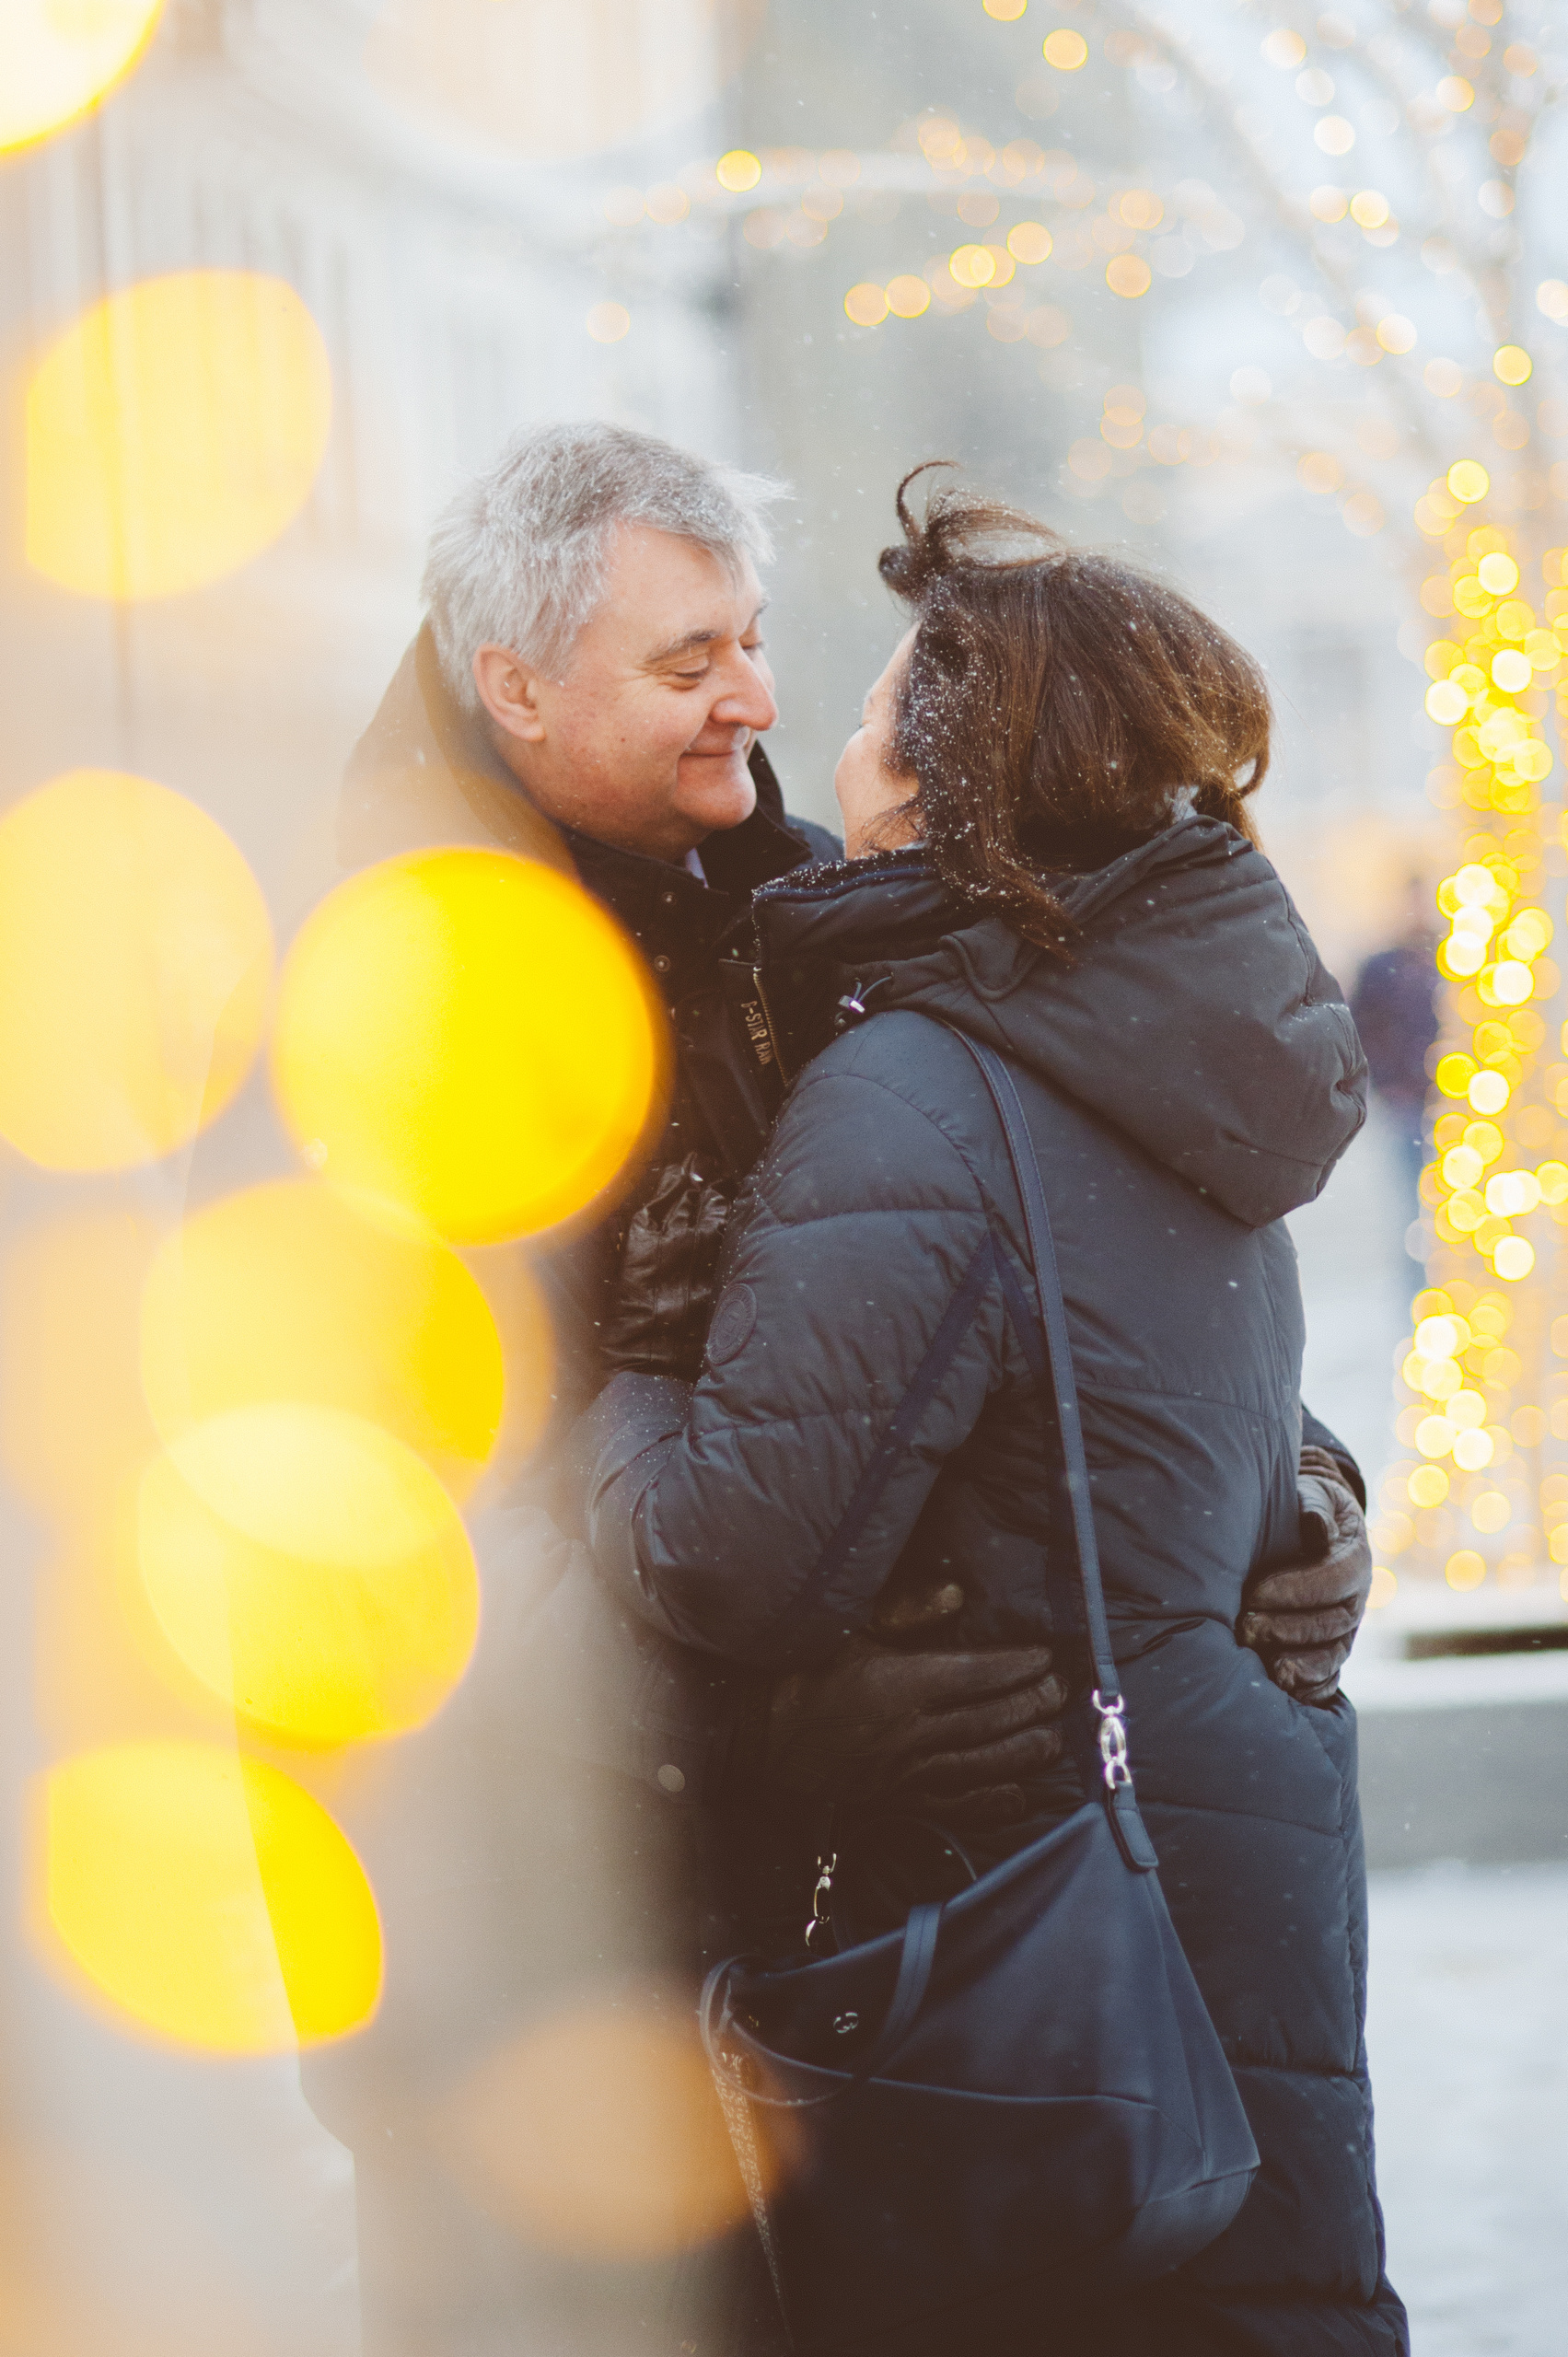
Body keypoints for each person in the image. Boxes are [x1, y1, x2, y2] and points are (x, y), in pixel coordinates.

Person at [305, 427, 1376, 2356]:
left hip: (807, 1941)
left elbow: (1004, 1272)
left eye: (756, 635)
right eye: (686, 658)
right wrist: (756, 1724)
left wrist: (1271, 1487)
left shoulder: (795, 910)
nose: (762, 697)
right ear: (514, 685)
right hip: (520, 1941)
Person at [1350, 878, 1439, 1260]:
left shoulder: (1454, 958)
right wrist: (1388, 1083)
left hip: (1456, 1102)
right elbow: (1359, 1030)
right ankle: (1421, 1304)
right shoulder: (1382, 966)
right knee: (1412, 1211)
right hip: (1407, 1103)